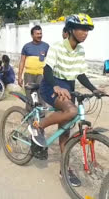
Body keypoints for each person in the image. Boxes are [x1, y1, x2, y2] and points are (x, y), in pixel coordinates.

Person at [32, 13, 103, 187]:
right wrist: (56, 86)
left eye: (87, 30)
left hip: (68, 86)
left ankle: (65, 169)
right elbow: (47, 70)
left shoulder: (80, 50)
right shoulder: (57, 47)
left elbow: (80, 74)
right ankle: (38, 127)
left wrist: (93, 89)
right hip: (50, 85)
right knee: (71, 112)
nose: (85, 33)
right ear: (70, 30)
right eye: (81, 29)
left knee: (65, 131)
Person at [18, 25, 49, 112]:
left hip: (41, 75)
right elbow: (22, 61)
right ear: (32, 35)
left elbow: (50, 61)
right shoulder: (26, 46)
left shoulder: (46, 46)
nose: (39, 35)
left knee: (41, 94)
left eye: (40, 33)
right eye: (37, 34)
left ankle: (42, 116)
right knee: (29, 95)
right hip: (29, 75)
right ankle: (29, 115)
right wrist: (19, 77)